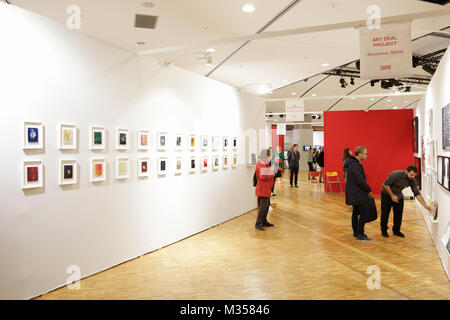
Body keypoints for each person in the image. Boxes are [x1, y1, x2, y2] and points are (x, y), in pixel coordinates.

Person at [380, 166, 431, 238]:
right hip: (387, 194)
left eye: (414, 175)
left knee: (398, 214)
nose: (413, 177)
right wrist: (392, 196)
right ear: (406, 171)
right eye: (411, 174)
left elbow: (417, 193)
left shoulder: (412, 180)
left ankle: (396, 230)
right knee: (385, 212)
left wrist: (425, 205)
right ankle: (384, 230)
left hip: (398, 195)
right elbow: (386, 185)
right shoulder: (395, 174)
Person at [343, 146, 374, 241]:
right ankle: (360, 234)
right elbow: (360, 180)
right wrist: (369, 190)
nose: (366, 156)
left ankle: (356, 232)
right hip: (357, 193)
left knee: (356, 212)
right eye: (365, 153)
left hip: (354, 192)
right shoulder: (355, 165)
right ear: (359, 154)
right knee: (364, 213)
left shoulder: (352, 163)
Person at [255, 148, 275, 231]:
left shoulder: (265, 163)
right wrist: (272, 172)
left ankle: (264, 221)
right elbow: (262, 176)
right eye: (270, 154)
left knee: (266, 205)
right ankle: (258, 223)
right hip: (262, 188)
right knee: (263, 206)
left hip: (266, 188)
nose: (271, 156)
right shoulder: (261, 163)